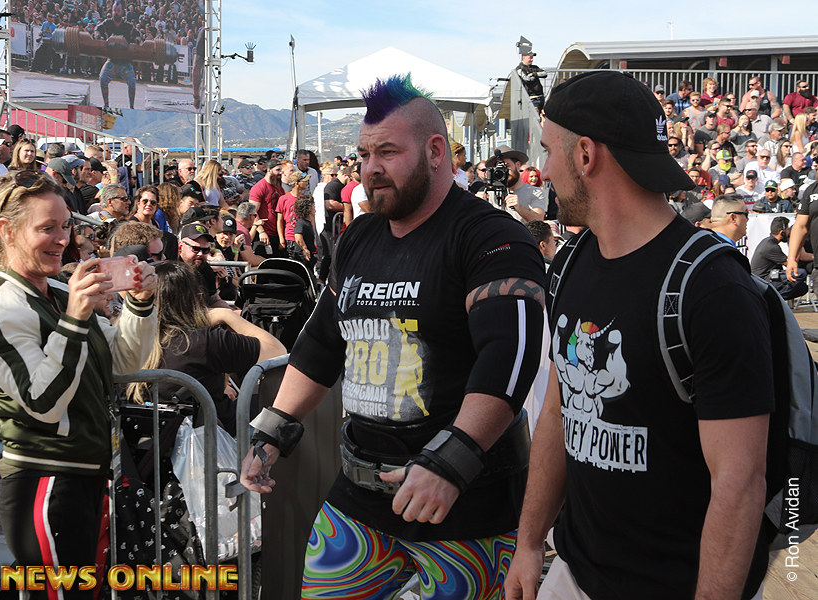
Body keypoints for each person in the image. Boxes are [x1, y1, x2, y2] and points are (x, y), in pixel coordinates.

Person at [241, 73, 546, 599]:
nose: (370, 168)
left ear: (435, 151)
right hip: (361, 497)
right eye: (364, 154)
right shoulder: (360, 235)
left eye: (387, 152)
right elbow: (322, 342)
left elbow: (509, 356)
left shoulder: (490, 236)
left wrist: (451, 460)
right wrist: (273, 430)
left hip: (464, 502)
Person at [505, 71, 772, 600]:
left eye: (549, 151)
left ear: (586, 155)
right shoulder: (571, 263)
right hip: (574, 574)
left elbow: (740, 484)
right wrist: (530, 542)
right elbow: (558, 411)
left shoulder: (711, 288)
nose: (543, 170)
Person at [0, 171, 157, 597]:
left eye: (66, 225)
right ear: (6, 230)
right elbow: (42, 403)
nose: (61, 239)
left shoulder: (55, 289)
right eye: (47, 228)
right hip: (46, 481)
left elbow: (124, 359)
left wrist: (141, 304)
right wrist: (74, 319)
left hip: (87, 475)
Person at [128, 261, 284, 434]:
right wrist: (227, 315)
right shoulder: (204, 340)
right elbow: (277, 351)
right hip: (214, 439)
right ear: (194, 298)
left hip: (149, 440)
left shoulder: (128, 340)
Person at [752, 216, 807, 300]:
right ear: (782, 232)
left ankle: (774, 299)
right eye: (788, 230)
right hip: (763, 281)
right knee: (801, 273)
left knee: (802, 287)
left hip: (765, 279)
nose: (789, 232)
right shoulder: (771, 246)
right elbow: (791, 265)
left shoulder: (768, 242)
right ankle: (772, 299)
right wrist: (797, 243)